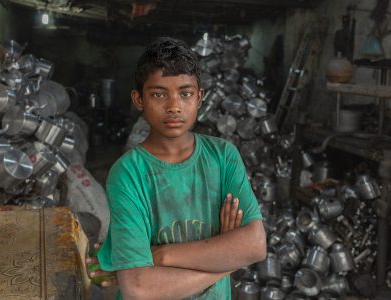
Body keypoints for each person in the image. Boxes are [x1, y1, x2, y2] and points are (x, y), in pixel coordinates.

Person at [87, 37, 266, 299]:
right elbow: (139, 288)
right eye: (159, 94)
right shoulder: (128, 174)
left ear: (200, 97)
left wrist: (161, 255)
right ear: (139, 100)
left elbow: (255, 245)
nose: (174, 106)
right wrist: (224, 260)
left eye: (185, 93)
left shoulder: (223, 156)